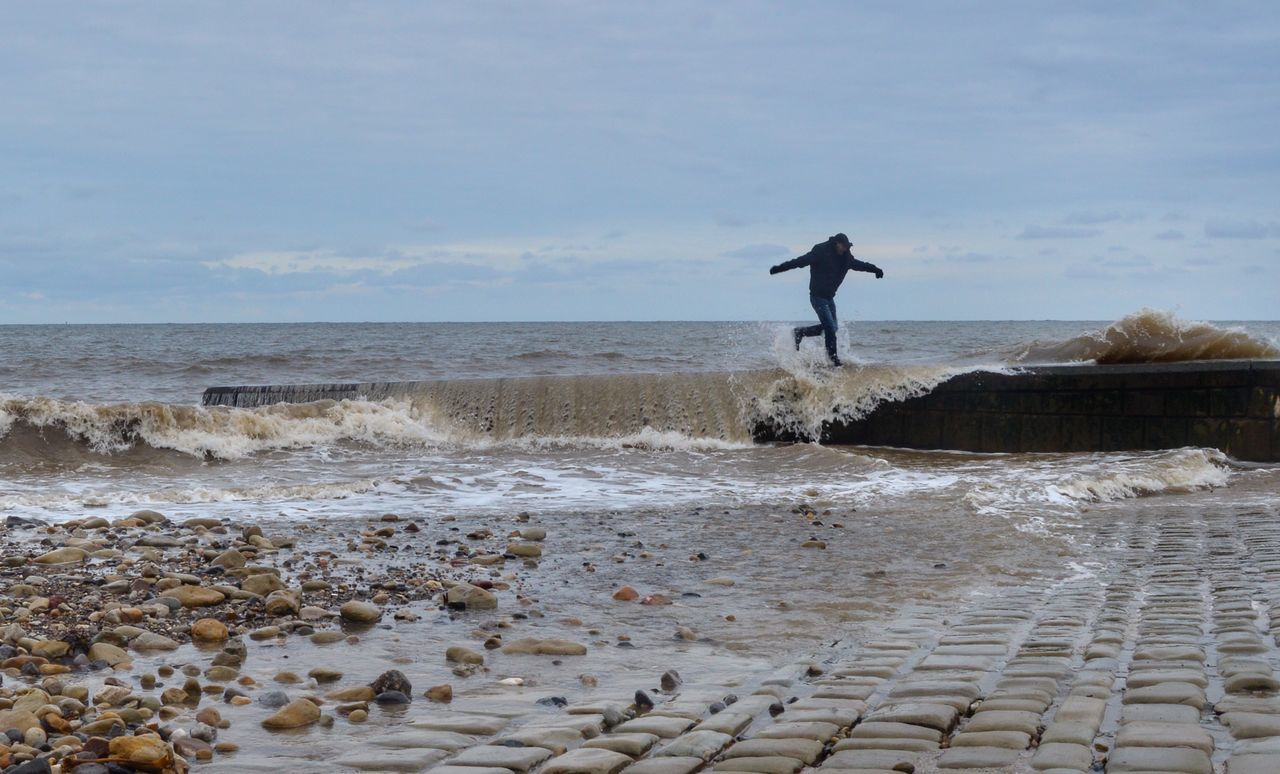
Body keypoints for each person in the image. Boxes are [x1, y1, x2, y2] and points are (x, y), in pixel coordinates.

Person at [769, 233, 883, 366]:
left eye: (847, 247)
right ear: (837, 243)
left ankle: (800, 332)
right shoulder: (821, 251)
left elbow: (860, 265)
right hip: (817, 297)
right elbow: (800, 261)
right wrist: (780, 268)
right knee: (829, 327)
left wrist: (875, 270)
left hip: (829, 298)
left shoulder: (846, 258)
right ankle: (833, 358)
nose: (845, 249)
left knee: (832, 328)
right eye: (843, 246)